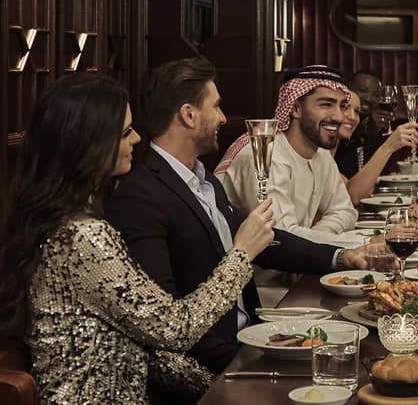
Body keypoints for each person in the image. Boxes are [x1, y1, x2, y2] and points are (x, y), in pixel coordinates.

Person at [0, 73, 275, 405]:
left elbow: (152, 350)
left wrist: (229, 385)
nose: (137, 138)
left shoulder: (66, 224)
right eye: (124, 131)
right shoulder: (82, 238)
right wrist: (242, 254)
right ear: (88, 146)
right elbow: (174, 329)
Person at [107, 58, 365, 373]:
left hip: (250, 335)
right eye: (216, 107)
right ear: (189, 115)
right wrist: (246, 362)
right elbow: (165, 323)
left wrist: (340, 257)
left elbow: (267, 240)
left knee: (351, 343)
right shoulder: (140, 196)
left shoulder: (203, 179)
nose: (223, 118)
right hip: (215, 363)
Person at [217, 65, 358, 241]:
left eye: (342, 106)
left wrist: (319, 237)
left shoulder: (321, 154)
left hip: (300, 263)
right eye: (326, 104)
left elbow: (345, 212)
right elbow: (281, 236)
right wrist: (355, 245)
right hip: (251, 267)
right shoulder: (264, 155)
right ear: (295, 109)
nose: (338, 116)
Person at [334, 88, 418, 204]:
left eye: (357, 111)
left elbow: (367, 188)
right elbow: (352, 196)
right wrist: (389, 146)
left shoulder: (362, 137)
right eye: (345, 107)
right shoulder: (319, 153)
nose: (353, 117)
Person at [336, 68, 385, 178]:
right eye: (363, 90)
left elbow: (375, 173)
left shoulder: (367, 128)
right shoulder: (336, 124)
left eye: (375, 95)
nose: (369, 98)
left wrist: (372, 134)